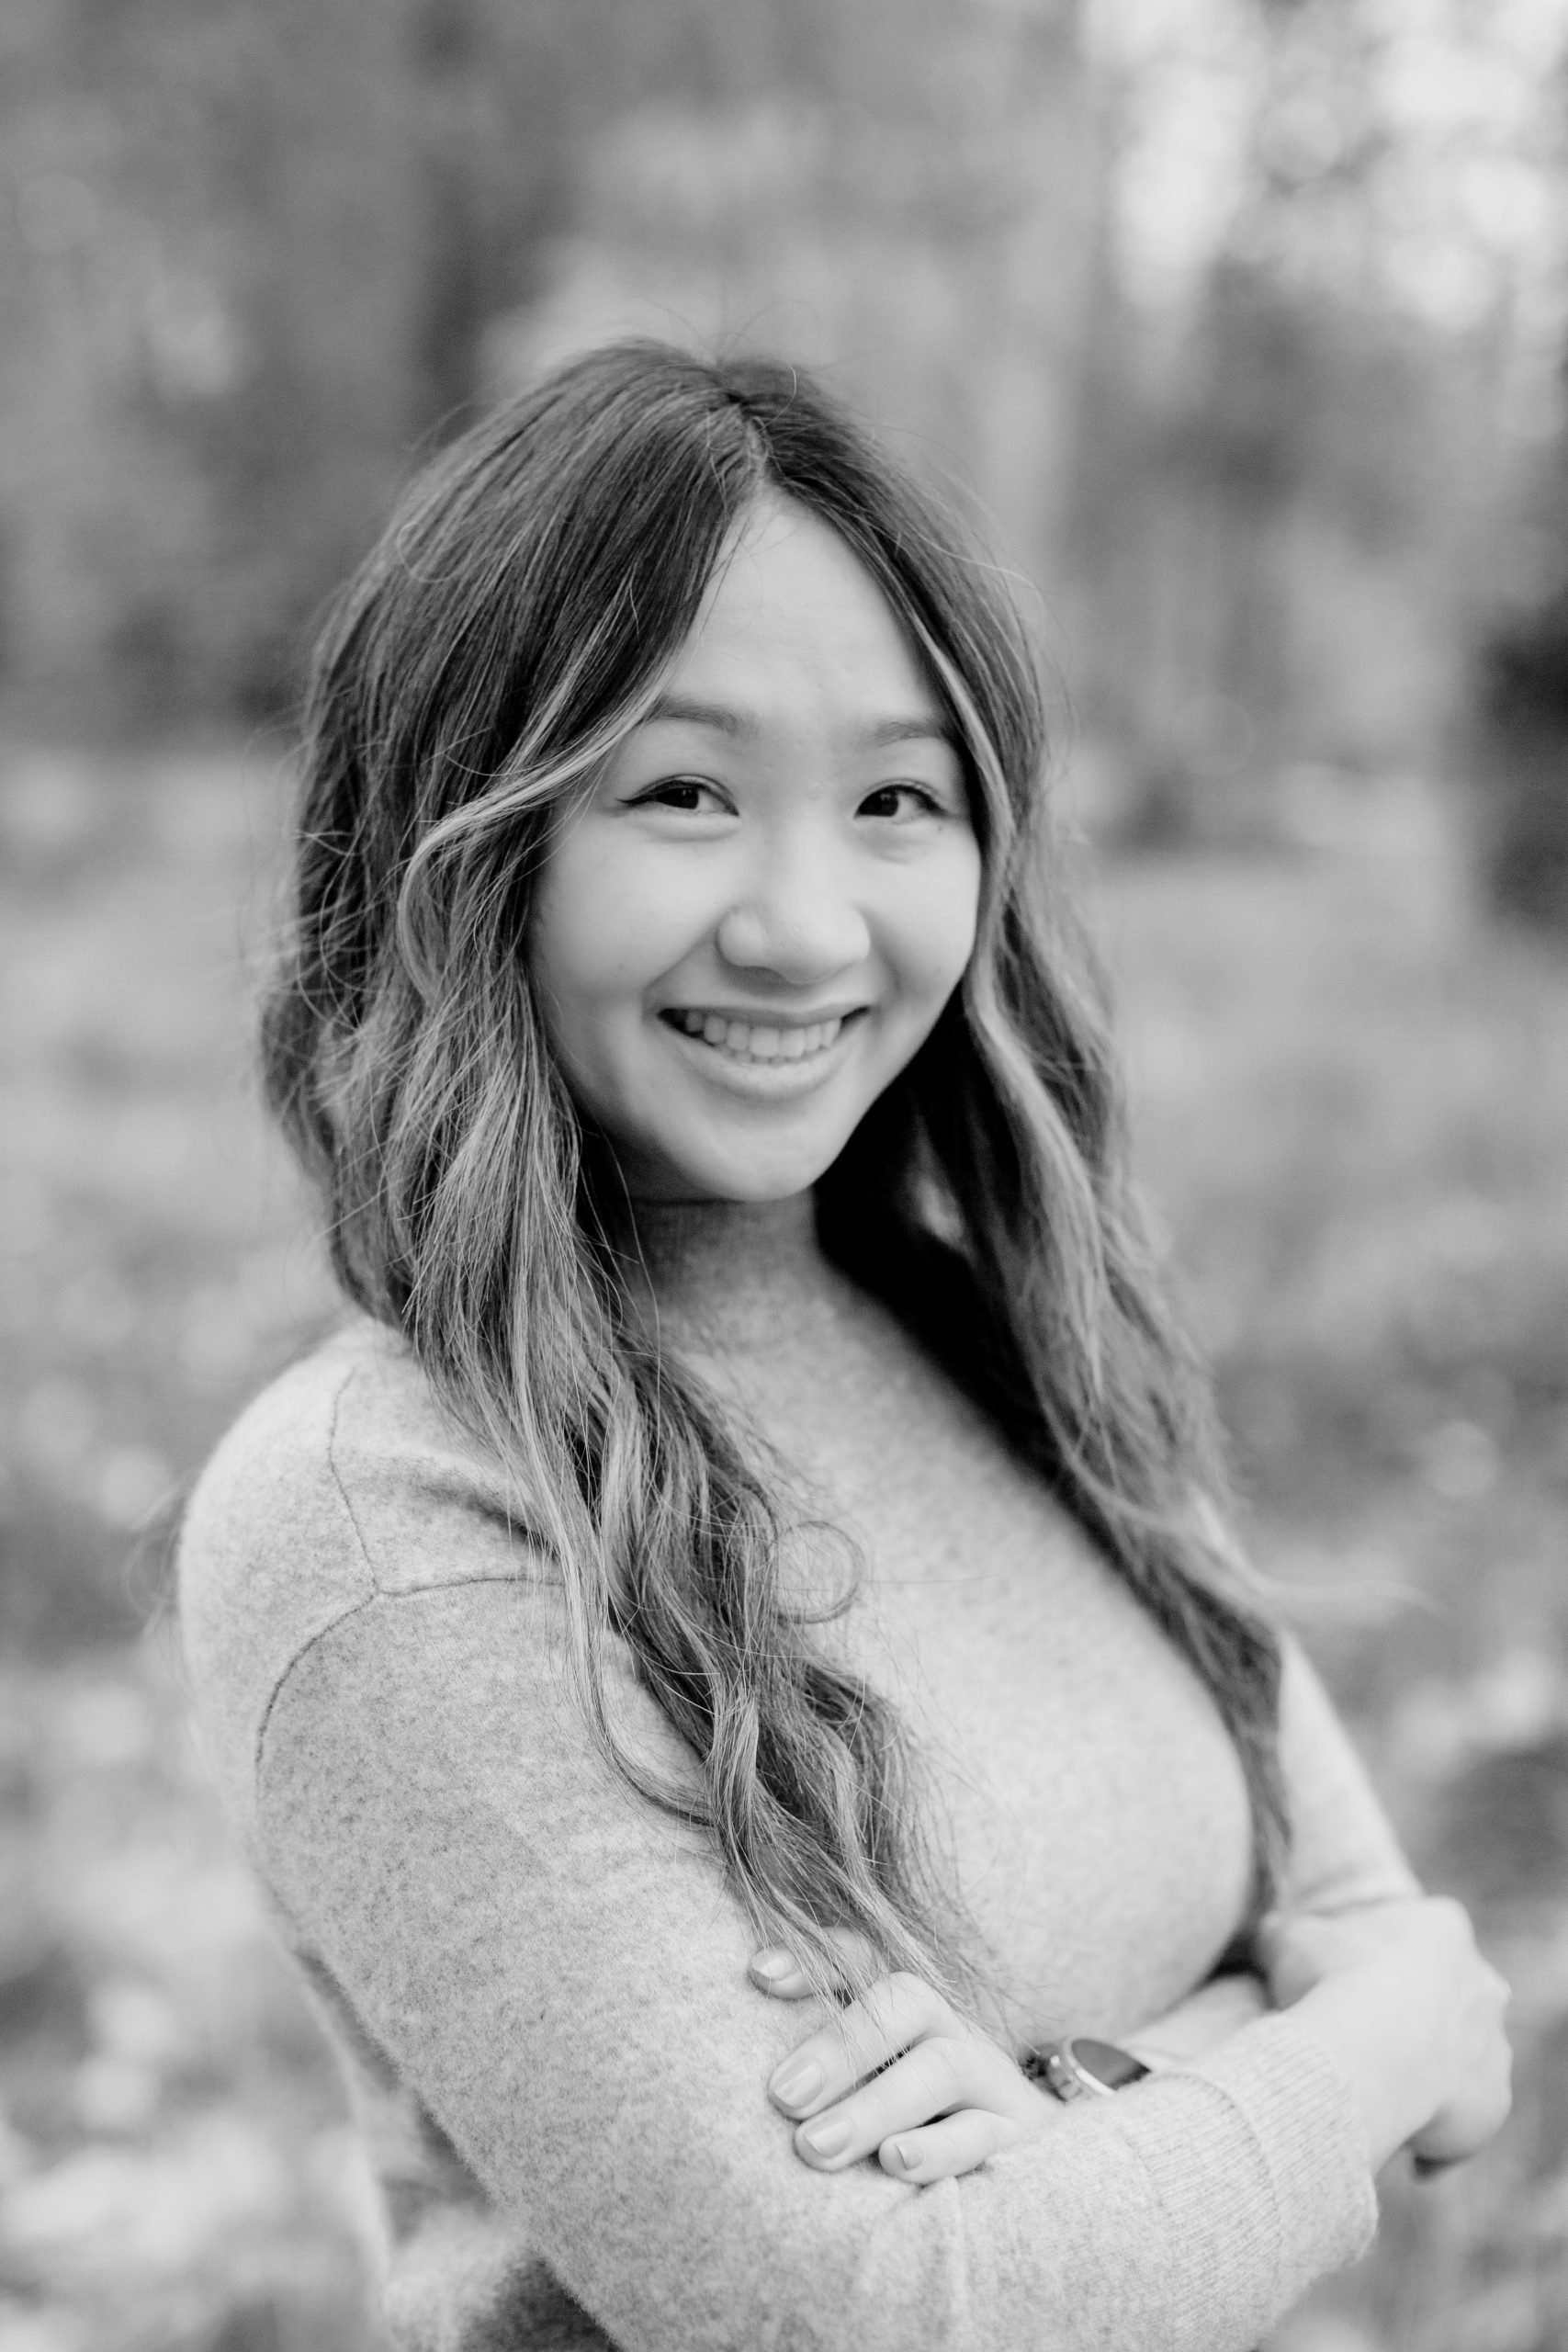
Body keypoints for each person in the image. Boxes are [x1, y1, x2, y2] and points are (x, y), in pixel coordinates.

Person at [177, 342, 1511, 2352]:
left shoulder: (1022, 1346)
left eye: (895, 796)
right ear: (472, 840)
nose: (807, 924)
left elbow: (1439, 2025)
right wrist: (1360, 2035)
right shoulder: (376, 1508)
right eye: (684, 791)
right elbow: (868, 2313)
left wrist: (1095, 2102)